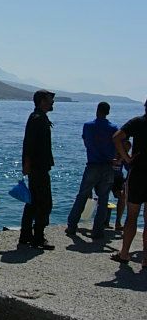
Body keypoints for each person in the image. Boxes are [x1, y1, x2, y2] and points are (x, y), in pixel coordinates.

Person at [65, 102, 118, 238]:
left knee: (82, 196)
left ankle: (71, 226)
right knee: (103, 199)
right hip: (107, 166)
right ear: (108, 112)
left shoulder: (88, 126)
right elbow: (118, 144)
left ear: (97, 110)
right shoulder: (113, 128)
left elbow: (86, 142)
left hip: (93, 164)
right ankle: (98, 230)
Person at [110, 99, 147, 266]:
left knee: (132, 215)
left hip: (138, 173)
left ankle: (124, 253)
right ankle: (146, 258)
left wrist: (127, 159)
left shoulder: (138, 122)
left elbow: (116, 138)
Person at [19, 89, 56, 249]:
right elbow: (29, 143)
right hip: (38, 167)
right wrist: (27, 164)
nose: (52, 102)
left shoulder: (39, 118)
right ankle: (38, 237)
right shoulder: (37, 119)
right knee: (44, 203)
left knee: (33, 202)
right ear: (42, 101)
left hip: (38, 166)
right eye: (49, 100)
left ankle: (26, 235)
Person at [112, 139, 131, 230]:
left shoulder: (124, 157)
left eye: (127, 150)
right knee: (103, 196)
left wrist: (126, 181)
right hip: (106, 176)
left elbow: (130, 169)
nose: (126, 151)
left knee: (123, 196)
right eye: (125, 149)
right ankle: (102, 221)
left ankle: (118, 222)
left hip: (118, 179)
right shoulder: (111, 152)